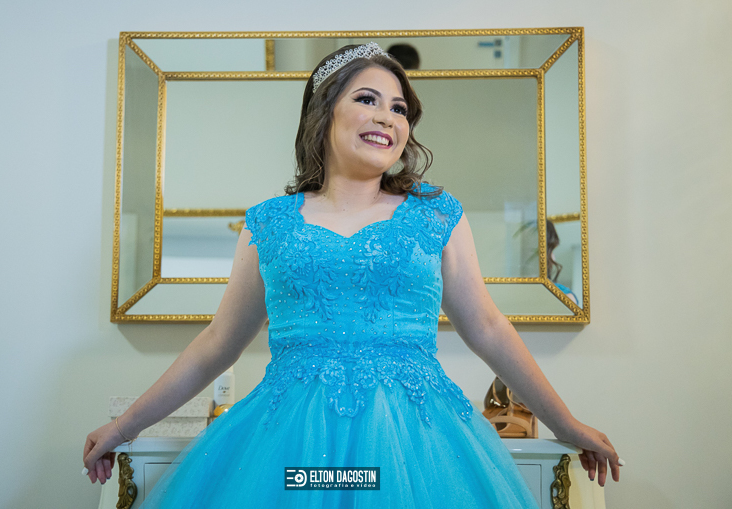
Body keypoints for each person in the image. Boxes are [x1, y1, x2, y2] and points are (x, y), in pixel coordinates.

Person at [84, 42, 622, 507]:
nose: (387, 117)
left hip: (418, 441)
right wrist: (125, 427)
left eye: (399, 108)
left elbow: (487, 327)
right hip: (286, 440)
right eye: (367, 99)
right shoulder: (269, 223)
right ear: (324, 114)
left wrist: (566, 423)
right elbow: (216, 343)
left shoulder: (437, 214)